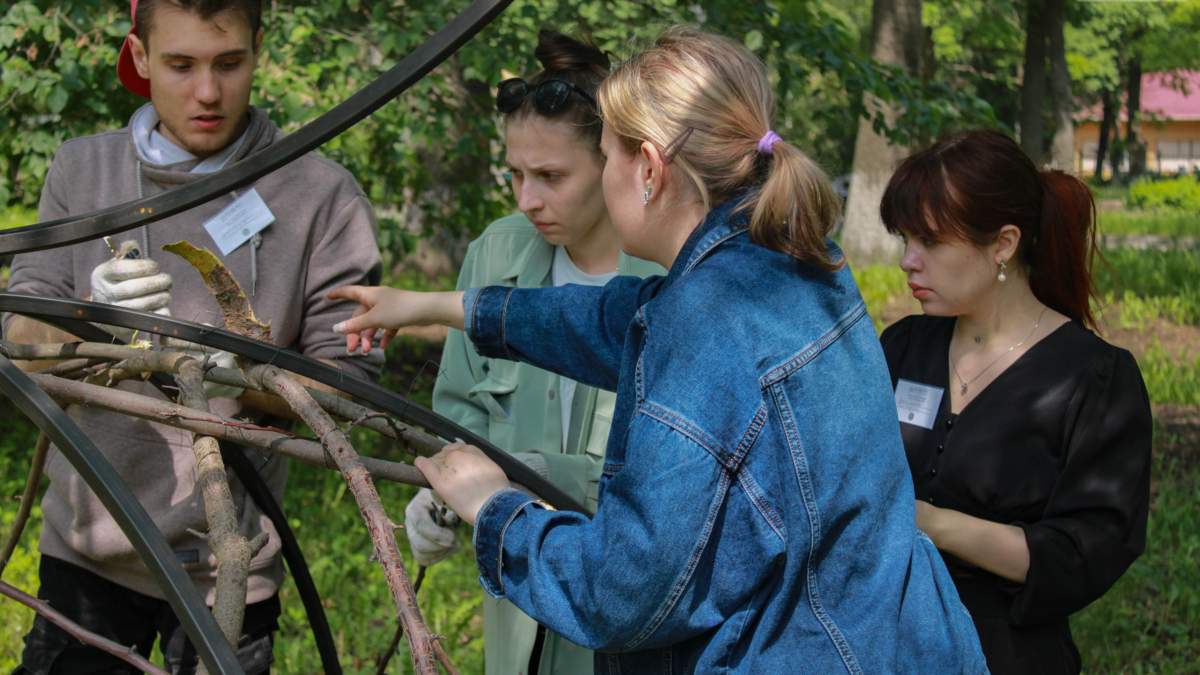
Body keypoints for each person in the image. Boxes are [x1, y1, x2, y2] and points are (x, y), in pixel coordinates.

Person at [331, 26, 987, 674]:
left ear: (647, 168)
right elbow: (621, 319)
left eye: (609, 155)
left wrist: (494, 508)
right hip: (899, 639)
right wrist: (437, 306)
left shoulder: (705, 332)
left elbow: (618, 593)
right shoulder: (783, 252)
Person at [4, 0, 383, 672]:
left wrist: (243, 373)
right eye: (180, 64)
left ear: (260, 47)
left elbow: (352, 393)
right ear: (140, 56)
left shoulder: (320, 194)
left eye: (229, 63)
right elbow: (19, 356)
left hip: (231, 569)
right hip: (89, 548)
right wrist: (86, 313)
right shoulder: (81, 171)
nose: (208, 92)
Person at [394, 29, 665, 675]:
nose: (526, 199)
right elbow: (460, 412)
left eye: (550, 176)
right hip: (521, 606)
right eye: (514, 174)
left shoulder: (666, 272)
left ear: (611, 161)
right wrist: (440, 492)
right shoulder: (495, 253)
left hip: (633, 614)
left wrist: (525, 472)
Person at [877, 130, 1152, 674]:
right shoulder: (903, 347)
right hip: (881, 645)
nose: (908, 261)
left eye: (929, 242)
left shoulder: (1093, 378)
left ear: (1003, 243)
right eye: (904, 238)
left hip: (1005, 655)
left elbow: (1086, 550)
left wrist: (928, 522)